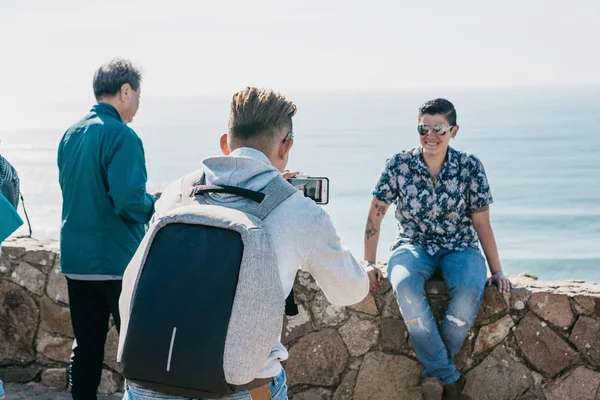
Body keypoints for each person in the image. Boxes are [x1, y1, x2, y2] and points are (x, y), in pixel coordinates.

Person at [123, 87, 369, 400]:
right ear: (286, 145)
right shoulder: (299, 210)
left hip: (151, 381)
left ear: (225, 142)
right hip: (240, 388)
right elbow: (348, 290)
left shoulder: (179, 192)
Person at [363, 99, 512, 400]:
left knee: (470, 291)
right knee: (404, 286)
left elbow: (482, 224)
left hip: (460, 247)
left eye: (438, 129)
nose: (430, 135)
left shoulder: (471, 167)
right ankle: (449, 378)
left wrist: (497, 271)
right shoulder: (398, 164)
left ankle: (436, 373)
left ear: (453, 130)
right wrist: (368, 261)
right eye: (423, 128)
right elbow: (375, 213)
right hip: (412, 245)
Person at [57, 58, 156, 400]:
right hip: (116, 262)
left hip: (77, 262)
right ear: (125, 91)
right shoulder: (122, 136)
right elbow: (128, 199)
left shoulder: (70, 134)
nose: (137, 106)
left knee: (86, 347)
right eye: (138, 97)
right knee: (138, 349)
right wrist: (153, 205)